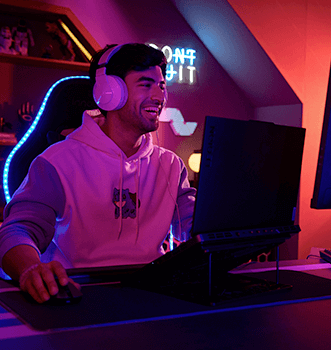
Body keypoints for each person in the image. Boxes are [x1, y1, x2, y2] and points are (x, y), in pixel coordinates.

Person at [0, 43, 196, 303]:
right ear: (109, 92)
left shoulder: (171, 165)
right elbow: (17, 230)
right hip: (79, 297)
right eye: (145, 84)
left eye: (161, 86)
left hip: (154, 295)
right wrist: (30, 268)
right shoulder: (58, 162)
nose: (159, 96)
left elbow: (197, 228)